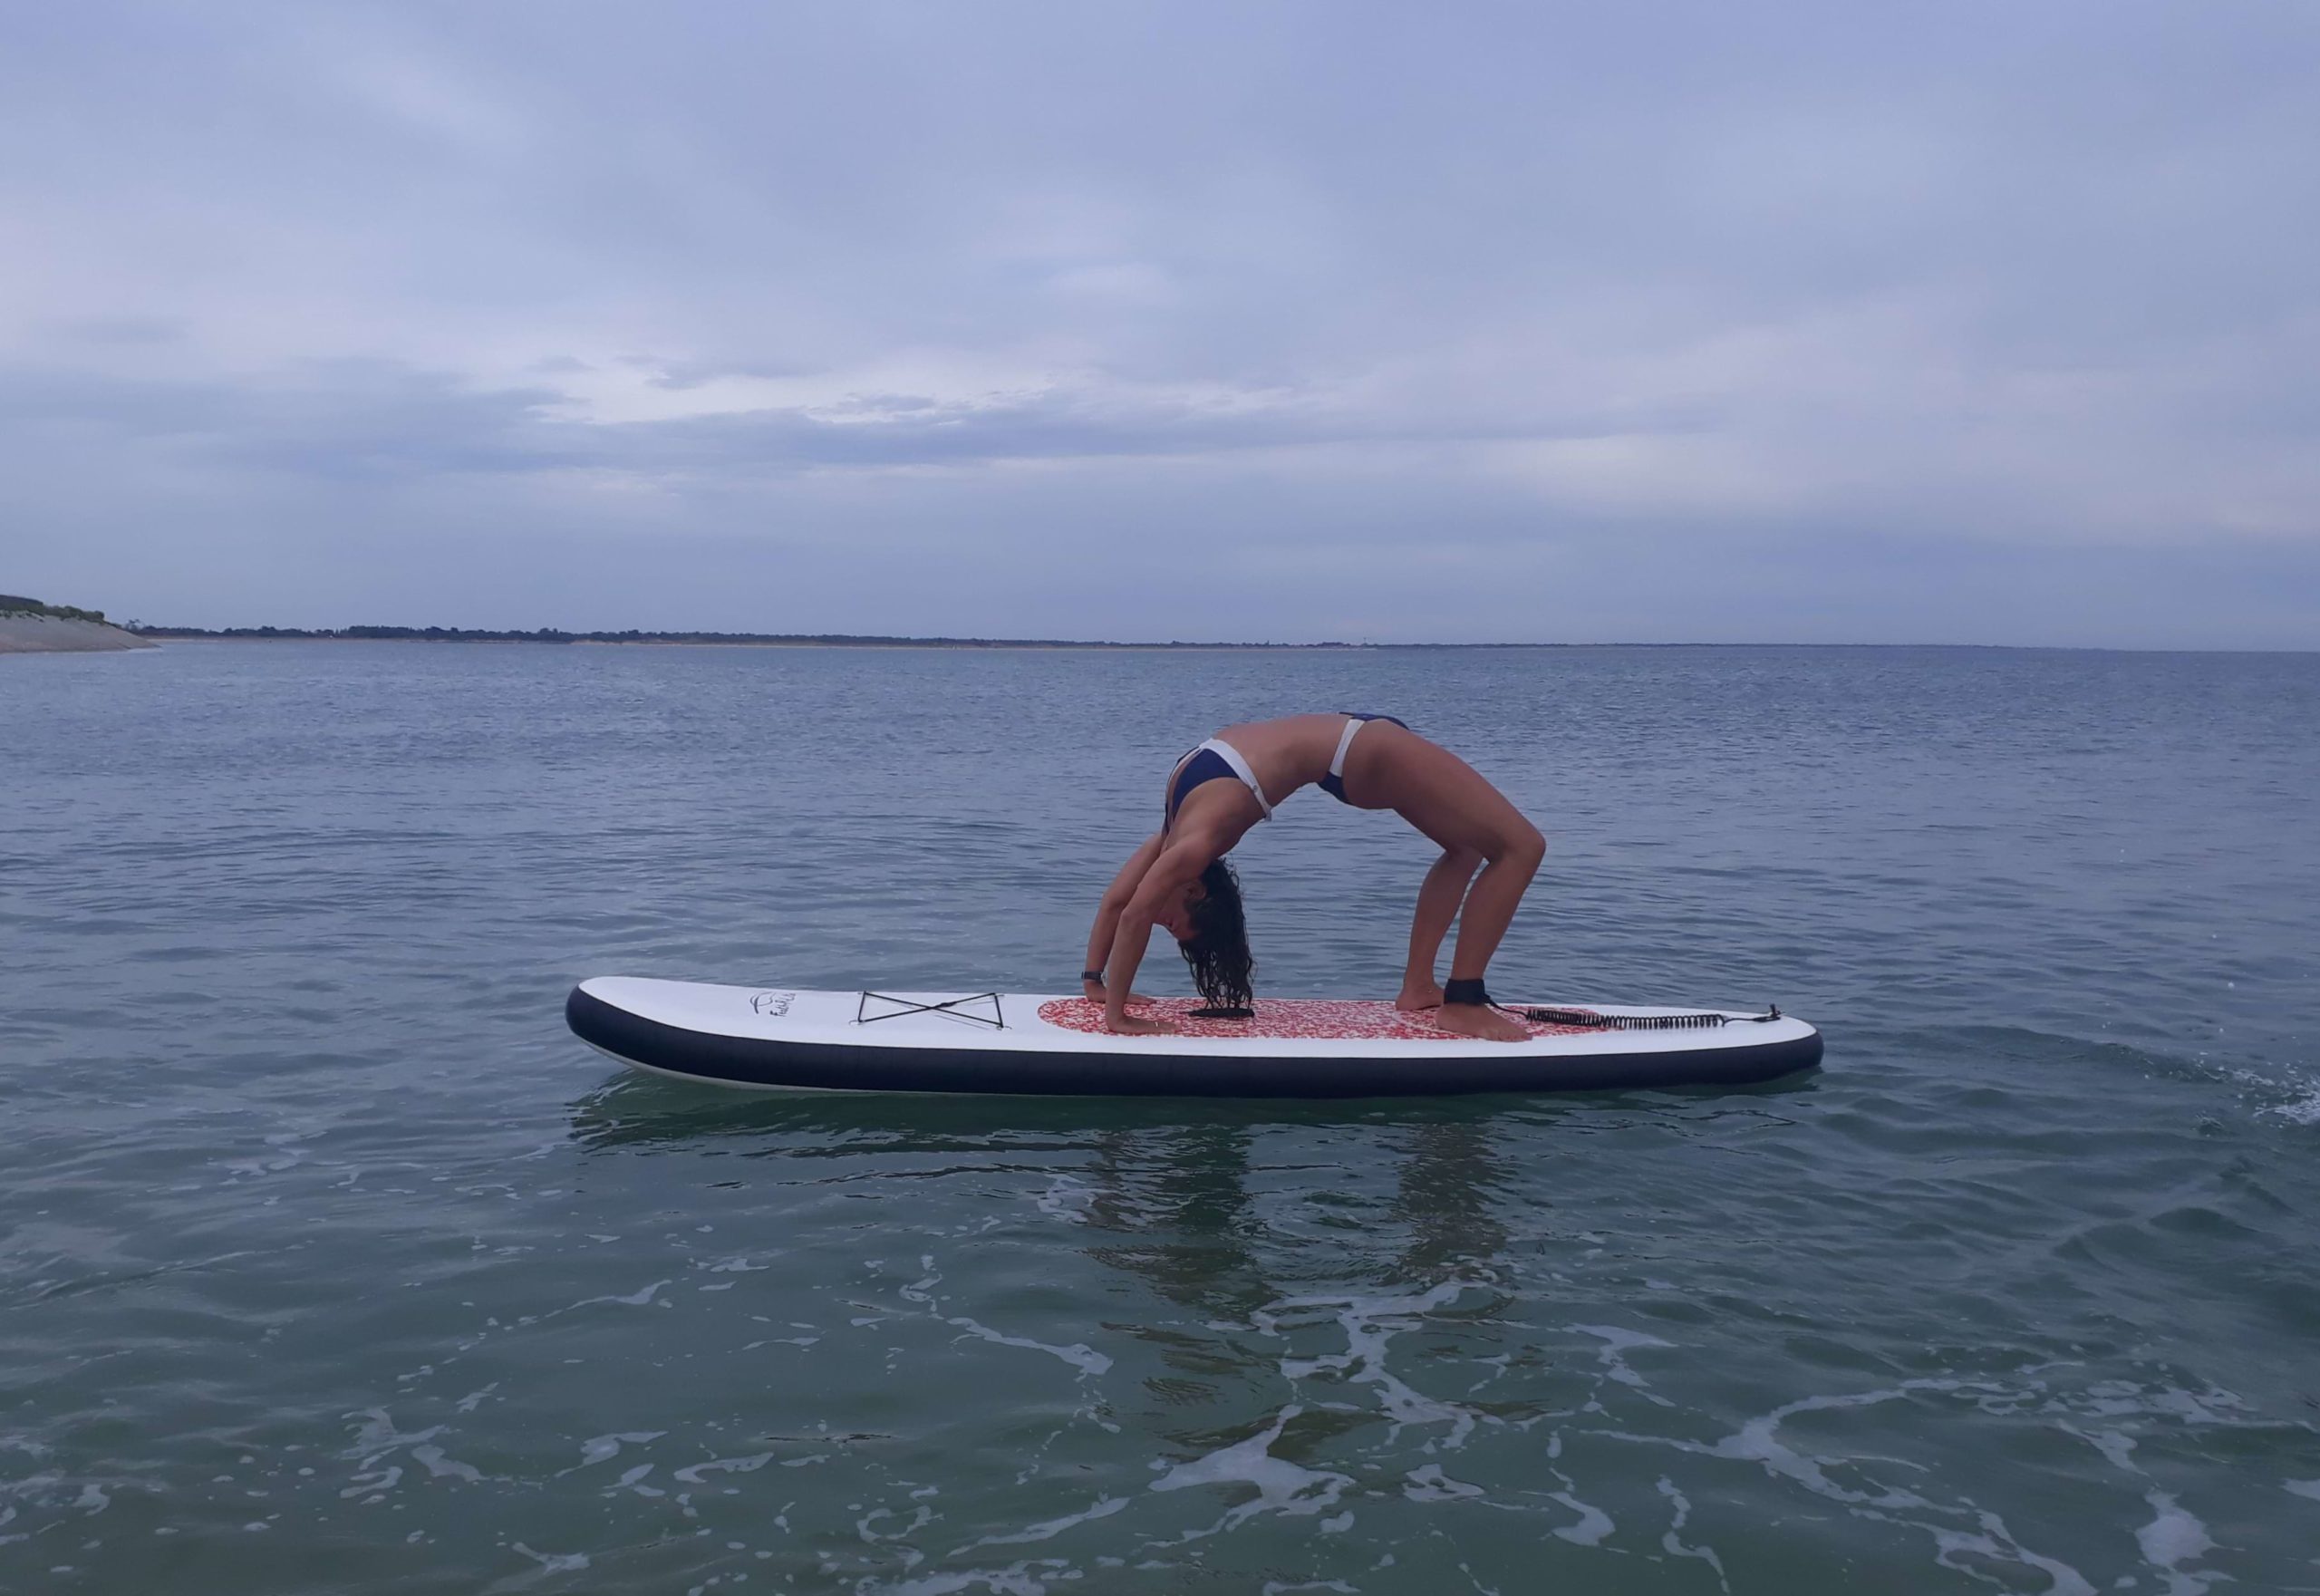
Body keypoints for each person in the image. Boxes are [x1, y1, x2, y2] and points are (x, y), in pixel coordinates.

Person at [1080, 713, 1547, 1041]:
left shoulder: (1182, 844)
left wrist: (1110, 1006)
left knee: (1487, 847)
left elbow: (1127, 910)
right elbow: (1124, 907)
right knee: (1514, 847)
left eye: (1170, 924)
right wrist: (1100, 989)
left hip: (1361, 746)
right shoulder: (1183, 834)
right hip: (1358, 750)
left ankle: (1434, 992)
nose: (1157, 915)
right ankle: (1450, 998)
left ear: (1194, 890)